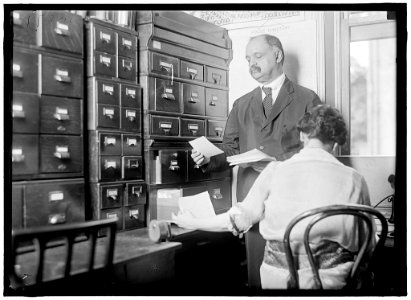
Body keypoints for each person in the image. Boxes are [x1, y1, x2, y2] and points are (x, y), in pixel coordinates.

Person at [175, 104, 376, 289]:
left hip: (279, 280)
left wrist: (193, 221)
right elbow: (368, 245)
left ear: (303, 136)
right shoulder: (355, 179)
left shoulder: (274, 171)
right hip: (333, 280)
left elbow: (235, 220)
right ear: (336, 142)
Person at [191, 33, 322, 287]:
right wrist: (207, 160)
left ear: (278, 55)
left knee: (297, 277)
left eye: (258, 56)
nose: (251, 63)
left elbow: (319, 153)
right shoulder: (241, 104)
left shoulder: (307, 99)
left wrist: (278, 165)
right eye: (248, 58)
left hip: (293, 202)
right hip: (252, 203)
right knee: (258, 276)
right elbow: (229, 150)